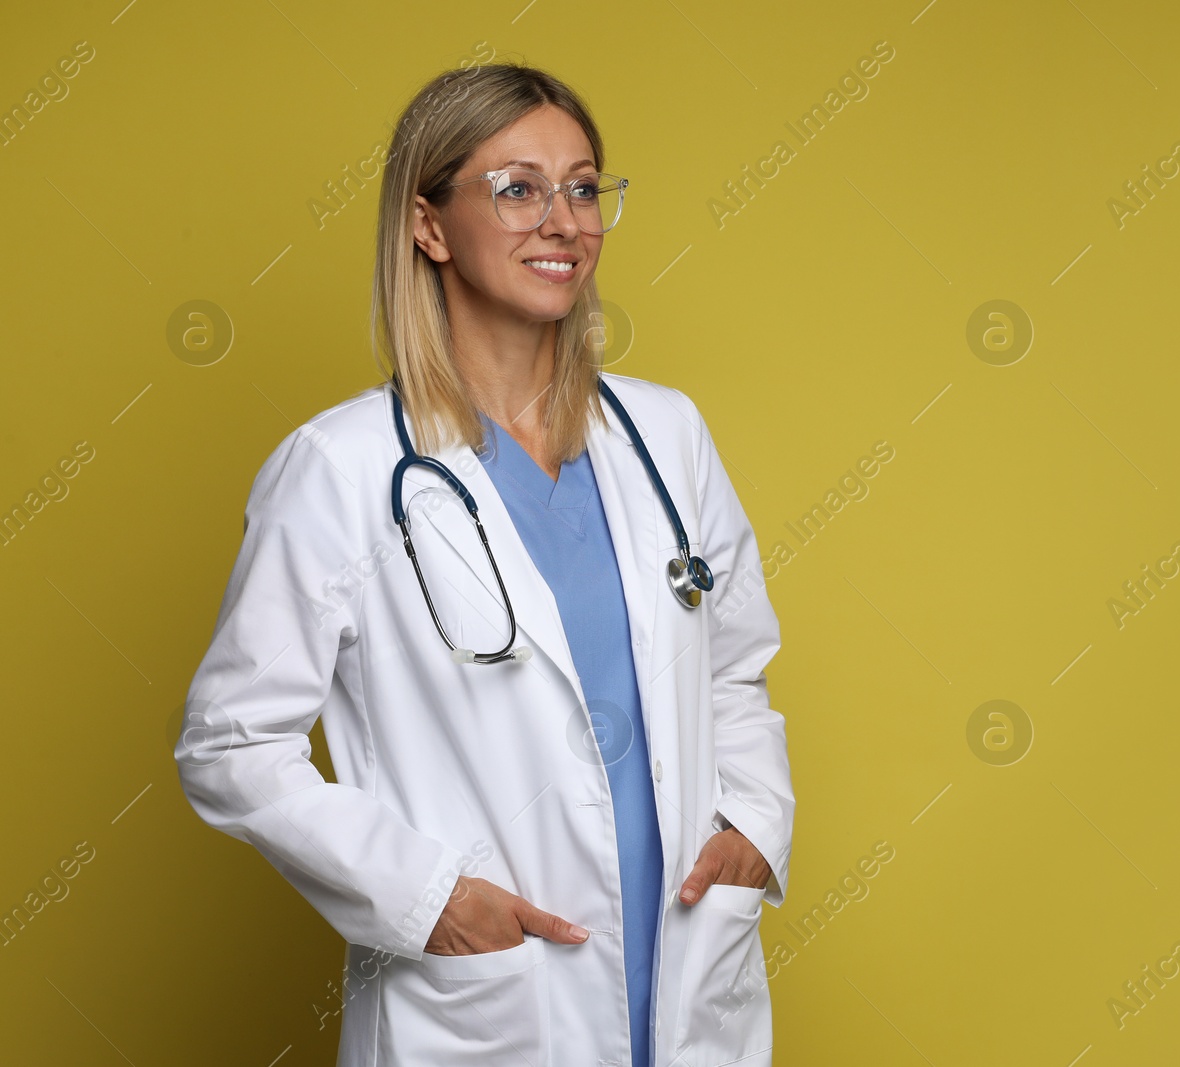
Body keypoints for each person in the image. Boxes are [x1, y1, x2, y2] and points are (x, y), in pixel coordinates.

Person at [174, 61, 793, 1067]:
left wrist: (755, 826)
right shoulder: (341, 468)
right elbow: (231, 741)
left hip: (686, 966)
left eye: (584, 187)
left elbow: (733, 668)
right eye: (518, 188)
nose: (564, 220)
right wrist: (430, 900)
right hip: (494, 997)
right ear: (428, 225)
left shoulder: (666, 434)